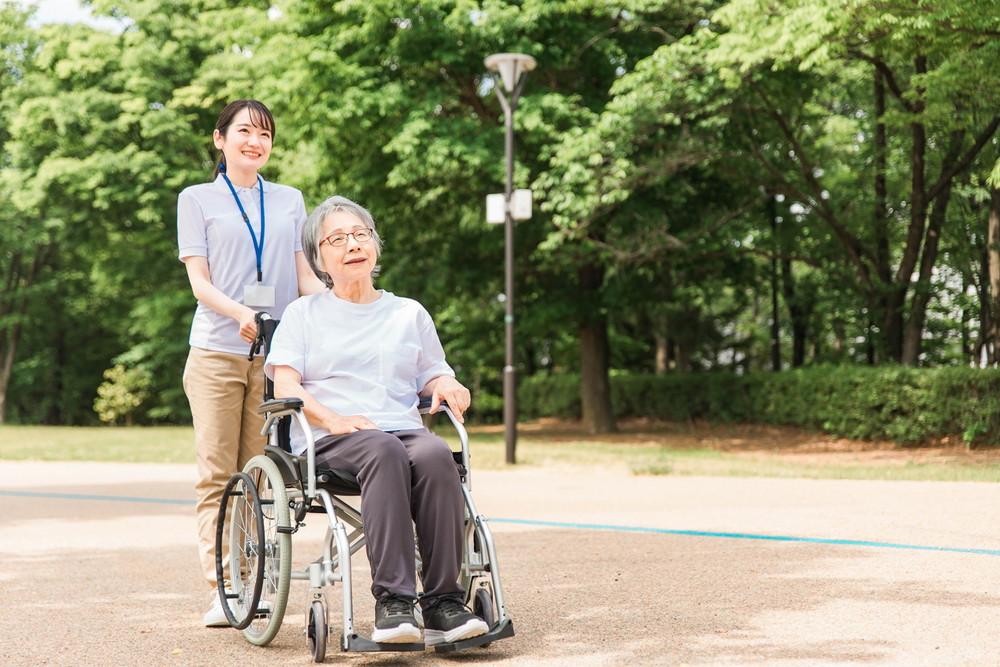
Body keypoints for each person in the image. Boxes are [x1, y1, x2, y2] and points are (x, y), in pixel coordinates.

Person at [264, 195, 490, 646]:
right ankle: (394, 604)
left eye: (361, 234)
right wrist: (334, 418)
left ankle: (444, 603)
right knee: (382, 448)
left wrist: (446, 382)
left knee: (434, 452)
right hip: (330, 436)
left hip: (401, 429)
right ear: (319, 257)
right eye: (338, 238)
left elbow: (433, 372)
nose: (353, 244)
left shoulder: (408, 312)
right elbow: (286, 386)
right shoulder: (303, 314)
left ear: (375, 246)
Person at [176, 99, 324, 627]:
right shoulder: (196, 199)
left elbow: (303, 276)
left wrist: (333, 305)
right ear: (220, 139)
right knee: (218, 474)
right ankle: (224, 587)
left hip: (274, 356)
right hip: (217, 351)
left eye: (263, 133)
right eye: (243, 131)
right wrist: (242, 311)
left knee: (261, 475)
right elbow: (199, 281)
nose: (254, 141)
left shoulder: (289, 199)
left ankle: (251, 579)